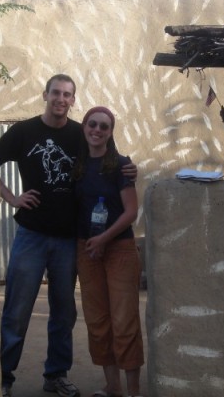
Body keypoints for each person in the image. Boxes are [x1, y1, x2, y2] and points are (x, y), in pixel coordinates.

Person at [0, 75, 136, 397]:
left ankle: (56, 376)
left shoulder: (82, 132)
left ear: (73, 100)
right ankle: (4, 379)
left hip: (68, 239)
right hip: (31, 235)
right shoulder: (23, 131)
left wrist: (130, 169)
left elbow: (109, 159)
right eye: (56, 93)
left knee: (64, 312)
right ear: (45, 95)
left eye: (67, 94)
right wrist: (12, 198)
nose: (61, 99)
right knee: (17, 312)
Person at [73, 107, 144, 397]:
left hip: (119, 249)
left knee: (124, 321)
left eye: (104, 126)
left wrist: (104, 238)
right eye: (93, 124)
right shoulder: (75, 165)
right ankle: (112, 387)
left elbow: (131, 212)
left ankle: (133, 392)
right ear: (84, 127)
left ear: (110, 132)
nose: (97, 130)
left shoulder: (120, 165)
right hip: (86, 250)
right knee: (98, 321)